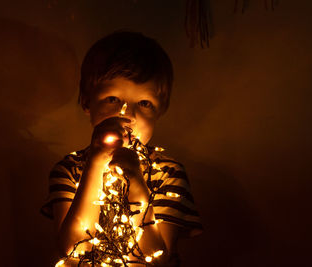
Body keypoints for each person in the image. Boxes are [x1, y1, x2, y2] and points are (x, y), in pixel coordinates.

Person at [41, 31, 202, 266]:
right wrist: (96, 164)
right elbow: (72, 249)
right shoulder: (69, 171)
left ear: (161, 110)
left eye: (145, 103)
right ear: (87, 101)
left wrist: (135, 180)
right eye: (112, 99)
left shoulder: (168, 175)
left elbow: (156, 260)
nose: (127, 115)